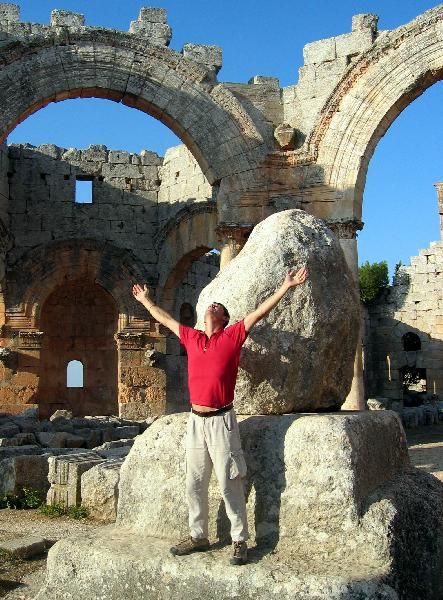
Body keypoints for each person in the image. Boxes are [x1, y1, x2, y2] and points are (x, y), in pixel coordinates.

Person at [132, 266, 308, 565]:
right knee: (194, 481)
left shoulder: (232, 336)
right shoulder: (192, 337)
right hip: (195, 421)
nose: (212, 307)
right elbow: (166, 319)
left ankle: (239, 540)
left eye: (218, 307)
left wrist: (286, 286)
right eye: (210, 306)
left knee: (229, 482)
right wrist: (146, 302)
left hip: (221, 421)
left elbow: (259, 313)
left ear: (225, 318)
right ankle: (198, 535)